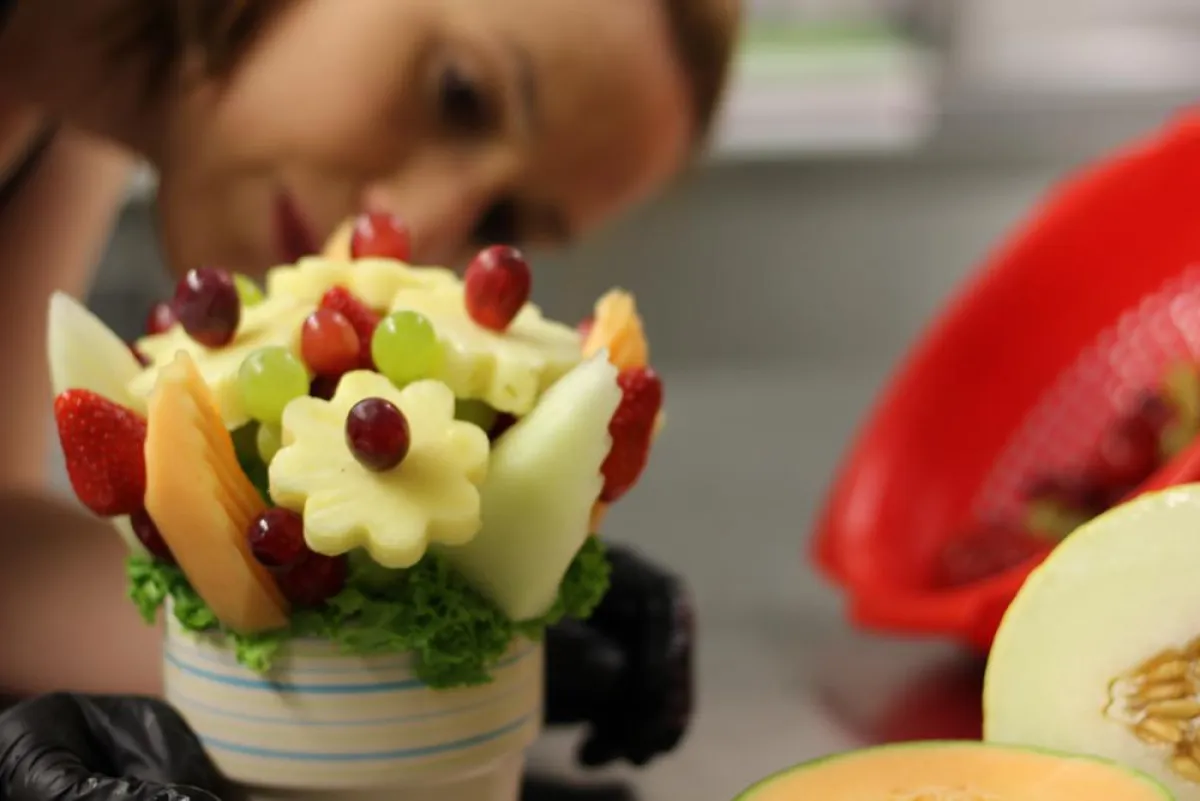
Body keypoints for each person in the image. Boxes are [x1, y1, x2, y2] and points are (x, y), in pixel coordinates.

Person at [0, 0, 739, 797]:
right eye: (460, 95)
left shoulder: (75, 107)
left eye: (502, 218)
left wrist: (449, 648)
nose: (411, 229)